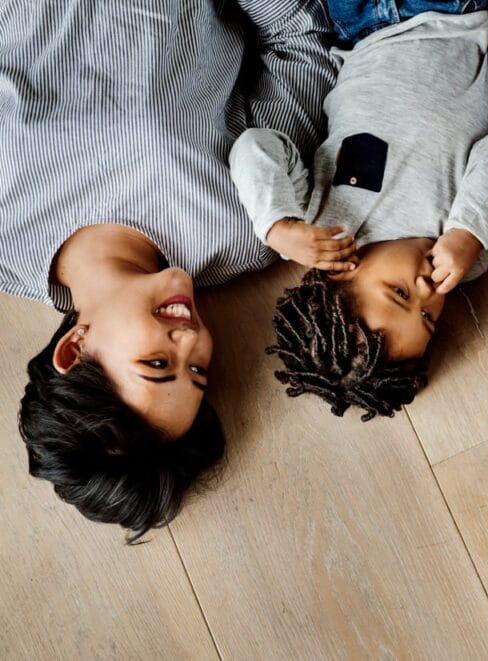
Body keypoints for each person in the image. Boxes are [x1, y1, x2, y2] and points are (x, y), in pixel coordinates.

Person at [3, 0, 336, 541]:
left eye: (158, 362)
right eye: (198, 371)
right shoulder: (250, 225)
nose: (191, 341)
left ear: (74, 349)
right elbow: (302, 46)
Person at [229, 2, 488, 420]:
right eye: (427, 317)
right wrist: (469, 231)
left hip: (361, 27)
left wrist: (277, 225)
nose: (428, 291)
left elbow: (255, 147)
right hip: (451, 16)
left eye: (400, 293)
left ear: (343, 271)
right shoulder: (465, 253)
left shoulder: (323, 229)